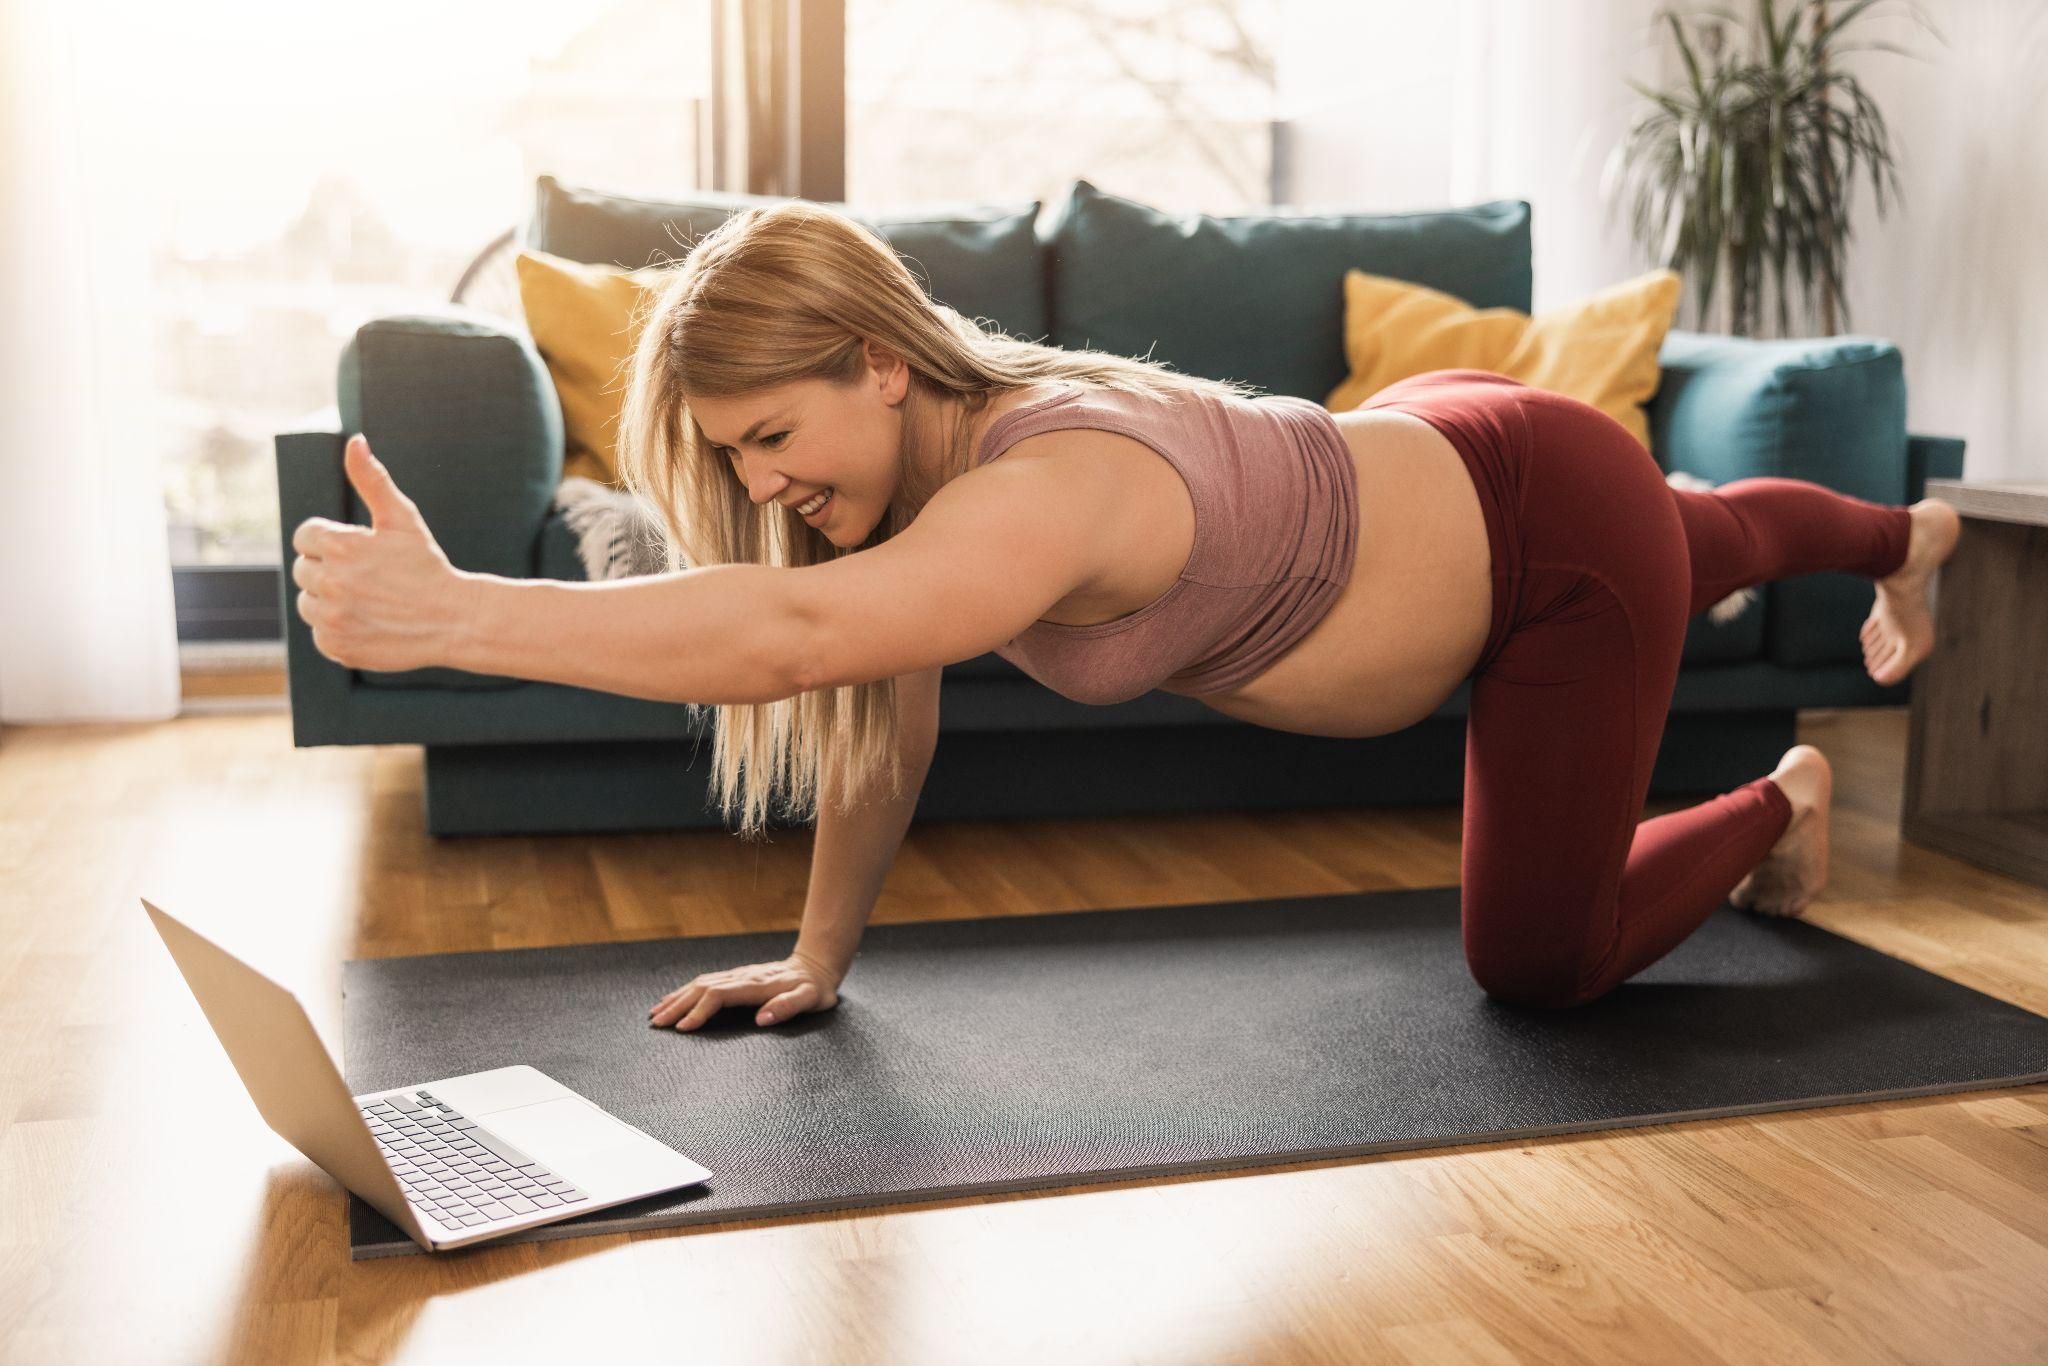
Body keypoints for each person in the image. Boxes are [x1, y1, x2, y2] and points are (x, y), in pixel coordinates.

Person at [289, 200, 1962, 1027]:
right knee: (1707, 532)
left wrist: (460, 618)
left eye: (775, 439)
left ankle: (1781, 794)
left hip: (1542, 548)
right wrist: (817, 960)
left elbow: (791, 644)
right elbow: (876, 698)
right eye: (735, 461)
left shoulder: (1042, 490)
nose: (768, 485)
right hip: (1464, 450)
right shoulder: (933, 486)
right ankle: (1905, 532)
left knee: (1540, 958)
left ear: (882, 360)